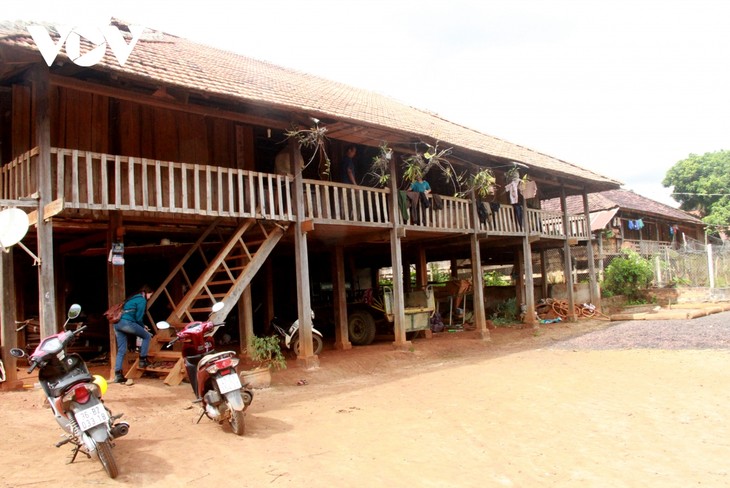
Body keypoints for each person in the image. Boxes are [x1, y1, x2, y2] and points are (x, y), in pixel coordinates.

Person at [112, 285, 154, 383]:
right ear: (147, 292)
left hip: (117, 325)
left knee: (121, 350)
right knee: (147, 336)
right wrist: (143, 326)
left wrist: (142, 326)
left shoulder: (131, 298)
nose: (150, 297)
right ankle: (143, 360)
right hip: (127, 323)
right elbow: (138, 318)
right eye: (150, 295)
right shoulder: (142, 300)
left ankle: (118, 375)